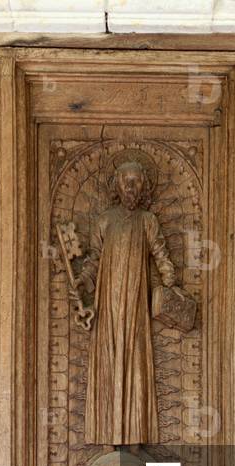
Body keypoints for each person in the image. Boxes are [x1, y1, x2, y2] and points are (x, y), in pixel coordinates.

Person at [76, 158, 177, 446]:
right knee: (109, 364)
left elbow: (160, 254)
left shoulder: (147, 221)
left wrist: (170, 281)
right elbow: (94, 259)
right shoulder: (106, 220)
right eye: (126, 181)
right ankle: (109, 437)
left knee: (135, 365)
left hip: (135, 305)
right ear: (117, 186)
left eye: (136, 181)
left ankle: (135, 437)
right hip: (108, 305)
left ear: (143, 186)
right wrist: (83, 280)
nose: (131, 187)